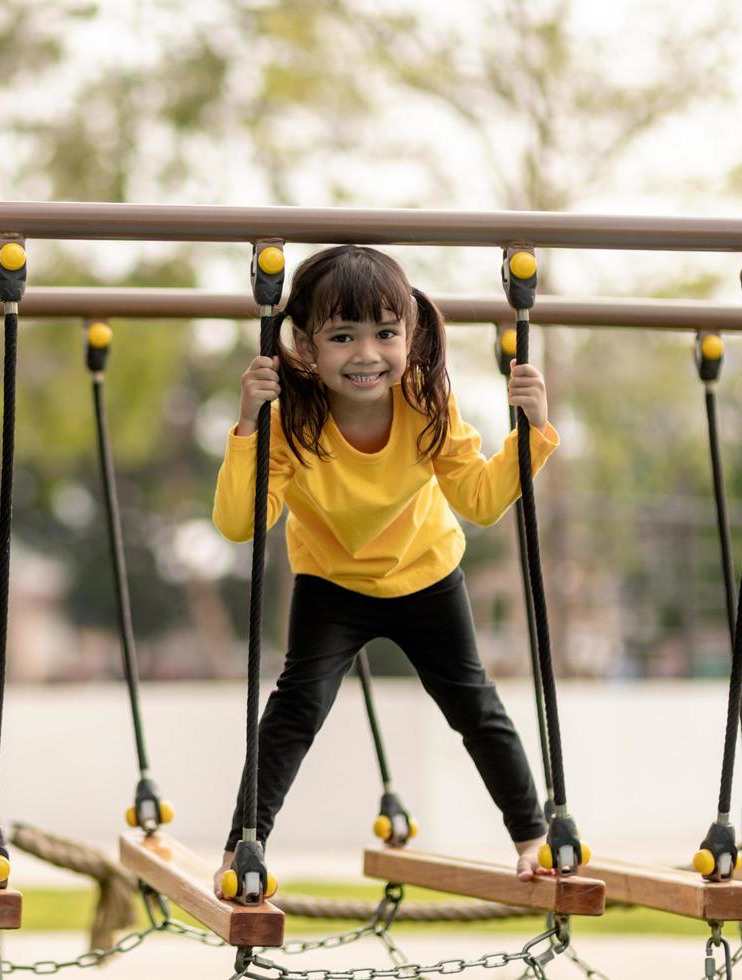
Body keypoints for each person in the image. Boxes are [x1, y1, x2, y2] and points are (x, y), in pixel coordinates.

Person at [212, 244, 557, 886]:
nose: (367, 354)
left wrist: (532, 431)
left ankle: (534, 835)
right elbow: (239, 523)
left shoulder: (427, 406)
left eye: (385, 333)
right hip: (331, 584)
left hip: (426, 575)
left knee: (473, 705)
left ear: (411, 335)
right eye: (343, 336)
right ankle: (243, 846)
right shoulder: (290, 423)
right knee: (296, 709)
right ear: (306, 347)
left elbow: (479, 500)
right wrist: (247, 428)